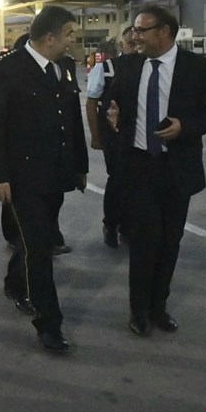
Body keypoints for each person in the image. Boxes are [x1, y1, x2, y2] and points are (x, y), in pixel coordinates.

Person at [104, 5, 206, 337]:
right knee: (145, 239)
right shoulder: (128, 65)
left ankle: (159, 307)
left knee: (171, 241)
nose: (135, 36)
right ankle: (139, 310)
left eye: (142, 30)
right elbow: (110, 102)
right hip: (139, 167)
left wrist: (184, 127)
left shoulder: (197, 67)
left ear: (164, 32)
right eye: (134, 30)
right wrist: (111, 114)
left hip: (177, 168)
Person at [0, 8, 88, 353]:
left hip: (56, 174)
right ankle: (49, 323)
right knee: (41, 249)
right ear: (50, 37)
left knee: (33, 241)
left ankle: (15, 282)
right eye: (70, 33)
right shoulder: (5, 69)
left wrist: (79, 166)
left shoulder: (63, 67)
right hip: (23, 176)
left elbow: (71, 119)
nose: (73, 40)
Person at [85, 26, 137, 248]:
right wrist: (96, 136)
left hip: (138, 135)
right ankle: (111, 224)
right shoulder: (105, 69)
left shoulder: (148, 66)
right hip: (114, 136)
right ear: (122, 45)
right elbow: (91, 103)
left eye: (138, 43)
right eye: (130, 44)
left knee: (136, 180)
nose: (135, 48)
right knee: (117, 179)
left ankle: (129, 225)